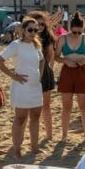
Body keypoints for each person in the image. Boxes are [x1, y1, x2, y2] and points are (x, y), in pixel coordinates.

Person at [0, 16, 44, 159]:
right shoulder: (16, 45)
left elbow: (42, 60)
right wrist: (13, 75)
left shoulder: (36, 45)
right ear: (23, 30)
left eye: (36, 30)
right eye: (30, 29)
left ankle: (34, 147)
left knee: (35, 117)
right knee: (20, 118)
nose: (33, 32)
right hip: (22, 87)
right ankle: (17, 149)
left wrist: (40, 75)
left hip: (35, 86)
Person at [55, 12, 85, 142]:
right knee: (66, 106)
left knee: (84, 106)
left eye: (79, 32)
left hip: (81, 70)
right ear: (70, 28)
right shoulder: (62, 38)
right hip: (67, 71)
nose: (77, 34)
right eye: (74, 32)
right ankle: (64, 135)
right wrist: (65, 60)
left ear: (83, 29)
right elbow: (56, 57)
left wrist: (84, 60)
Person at [29, 10, 55, 141]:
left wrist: (46, 70)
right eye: (37, 24)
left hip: (45, 73)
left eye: (42, 24)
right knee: (31, 107)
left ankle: (49, 135)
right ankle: (33, 135)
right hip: (29, 73)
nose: (40, 27)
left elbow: (50, 57)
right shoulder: (26, 39)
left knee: (46, 105)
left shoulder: (47, 39)